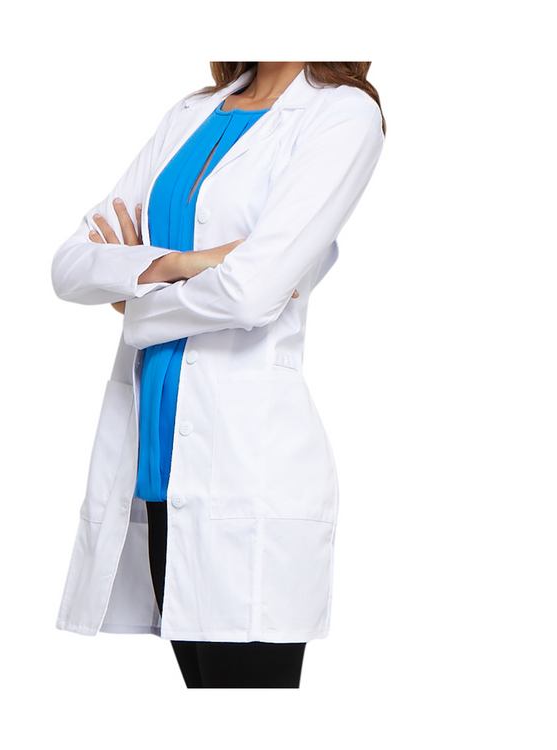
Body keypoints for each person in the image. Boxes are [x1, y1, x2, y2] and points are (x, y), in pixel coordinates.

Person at [52, 61, 386, 688]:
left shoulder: (343, 114)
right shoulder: (191, 114)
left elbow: (250, 294)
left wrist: (133, 293)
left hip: (246, 484)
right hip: (157, 480)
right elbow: (70, 266)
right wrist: (184, 263)